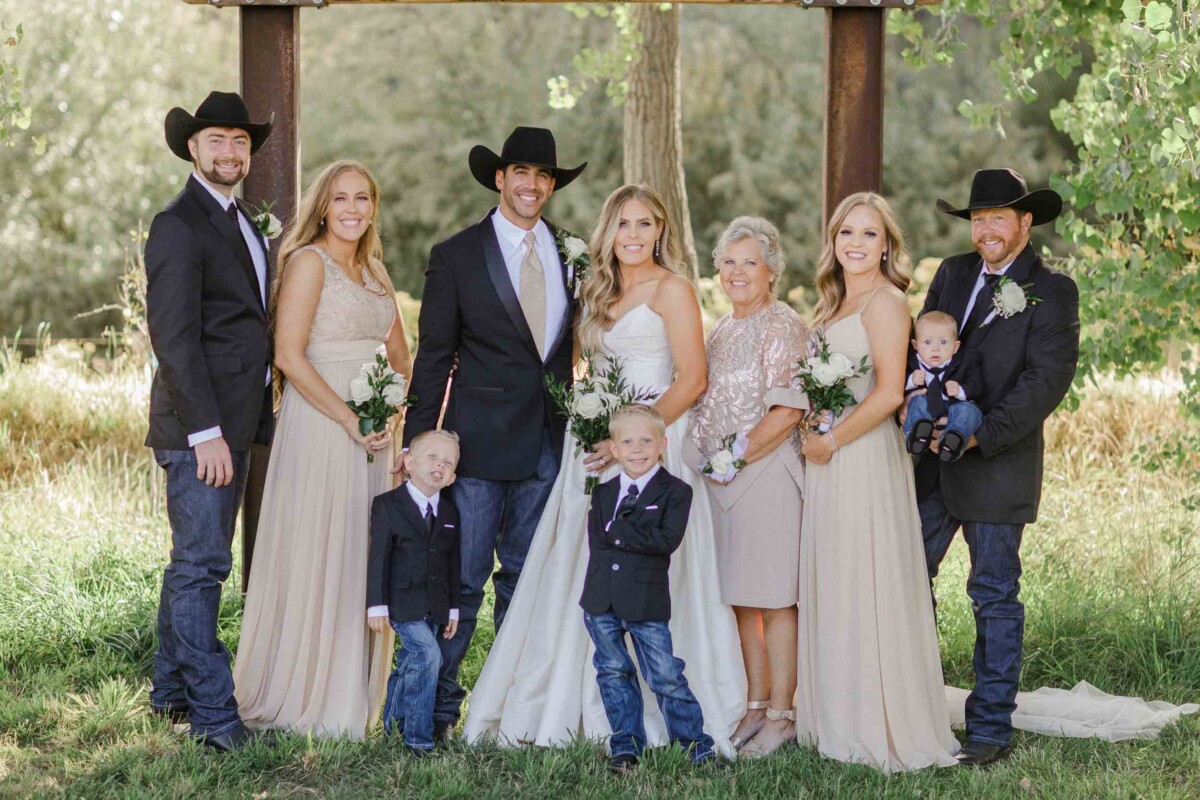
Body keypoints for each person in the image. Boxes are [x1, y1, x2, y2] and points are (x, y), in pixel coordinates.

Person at [462, 185, 745, 754]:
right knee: (579, 558)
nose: (634, 235)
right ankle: (572, 691)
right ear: (608, 232)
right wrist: (596, 430)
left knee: (650, 563)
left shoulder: (673, 289)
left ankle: (668, 702)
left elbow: (692, 379)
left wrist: (633, 440)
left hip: (655, 439)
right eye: (623, 224)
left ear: (660, 230)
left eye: (645, 224)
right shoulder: (595, 289)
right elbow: (578, 367)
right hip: (593, 442)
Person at [400, 127, 586, 738]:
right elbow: (433, 357)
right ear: (500, 178)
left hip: (547, 444)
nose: (532, 185)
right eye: (521, 173)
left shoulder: (572, 254)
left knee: (526, 581)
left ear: (551, 185)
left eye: (543, 176)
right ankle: (437, 708)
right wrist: (421, 439)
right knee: (464, 578)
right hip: (474, 446)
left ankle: (507, 709)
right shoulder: (456, 254)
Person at [233, 160, 411, 739]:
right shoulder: (308, 263)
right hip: (323, 425)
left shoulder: (378, 273)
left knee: (365, 552)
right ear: (323, 207)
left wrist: (395, 411)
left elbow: (403, 360)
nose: (353, 209)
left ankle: (356, 693)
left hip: (376, 433)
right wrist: (349, 418)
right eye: (341, 199)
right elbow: (288, 356)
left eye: (363, 198)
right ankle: (305, 690)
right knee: (322, 544)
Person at [917, 168, 1079, 765]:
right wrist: (927, 420)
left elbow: (1044, 385)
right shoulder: (953, 273)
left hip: (997, 463)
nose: (985, 229)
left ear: (1025, 223)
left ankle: (988, 729)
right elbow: (925, 351)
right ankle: (915, 703)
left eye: (998, 218)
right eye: (977, 218)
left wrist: (981, 436)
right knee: (908, 579)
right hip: (933, 461)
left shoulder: (1052, 291)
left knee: (993, 596)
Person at [796, 192, 960, 773]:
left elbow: (891, 392)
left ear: (886, 244)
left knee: (866, 578)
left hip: (862, 459)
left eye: (869, 234)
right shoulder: (831, 305)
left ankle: (877, 720)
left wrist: (833, 439)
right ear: (833, 241)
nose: (856, 244)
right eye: (847, 233)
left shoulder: (888, 303)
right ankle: (834, 712)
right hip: (827, 458)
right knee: (837, 578)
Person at [145, 91, 276, 751]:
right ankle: (214, 718)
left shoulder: (244, 220)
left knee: (190, 564)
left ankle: (168, 693)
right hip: (200, 431)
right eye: (217, 140)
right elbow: (174, 338)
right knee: (203, 567)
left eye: (240, 142)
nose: (230, 152)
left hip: (237, 421)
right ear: (193, 148)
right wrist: (206, 435)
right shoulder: (179, 224)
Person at [686, 217, 807, 758]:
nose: (737, 272)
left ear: (771, 270)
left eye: (749, 262)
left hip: (766, 473)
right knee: (742, 599)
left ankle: (783, 713)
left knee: (776, 599)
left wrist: (735, 456)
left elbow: (786, 409)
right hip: (722, 482)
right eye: (729, 261)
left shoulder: (781, 323)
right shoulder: (720, 329)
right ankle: (755, 705)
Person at [581, 404, 716, 773]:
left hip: (646, 599)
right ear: (615, 448)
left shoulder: (676, 491)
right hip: (601, 598)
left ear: (662, 445)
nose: (637, 449)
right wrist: (625, 535)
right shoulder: (605, 491)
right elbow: (599, 543)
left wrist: (619, 531)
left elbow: (666, 540)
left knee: (665, 676)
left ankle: (694, 747)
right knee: (612, 672)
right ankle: (626, 746)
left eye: (646, 441)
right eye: (627, 442)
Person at [367, 430, 462, 756]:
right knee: (428, 656)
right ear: (409, 462)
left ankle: (392, 729)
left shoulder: (449, 512)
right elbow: (378, 558)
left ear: (452, 477)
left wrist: (453, 609)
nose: (440, 466)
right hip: (402, 601)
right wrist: (376, 606)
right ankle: (418, 741)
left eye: (448, 463)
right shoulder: (387, 505)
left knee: (409, 662)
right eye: (433, 458)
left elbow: (453, 562)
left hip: (436, 603)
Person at [903, 310, 983, 461]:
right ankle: (916, 435)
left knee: (970, 410)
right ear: (915, 344)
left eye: (943, 342)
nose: (935, 348)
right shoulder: (911, 363)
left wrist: (960, 390)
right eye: (927, 342)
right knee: (919, 401)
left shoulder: (965, 362)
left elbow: (977, 386)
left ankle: (953, 440)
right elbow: (894, 384)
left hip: (953, 409)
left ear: (955, 346)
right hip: (925, 413)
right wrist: (910, 381)